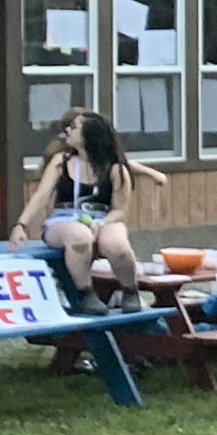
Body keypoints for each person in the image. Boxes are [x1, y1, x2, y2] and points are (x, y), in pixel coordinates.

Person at [17, 113, 166, 313]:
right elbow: (41, 195)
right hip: (64, 218)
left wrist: (101, 223)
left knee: (117, 244)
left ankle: (130, 289)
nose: (68, 130)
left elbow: (120, 210)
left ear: (90, 134)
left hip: (103, 217)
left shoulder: (116, 169)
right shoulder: (62, 160)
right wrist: (21, 224)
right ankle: (86, 293)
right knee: (80, 236)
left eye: (75, 127)